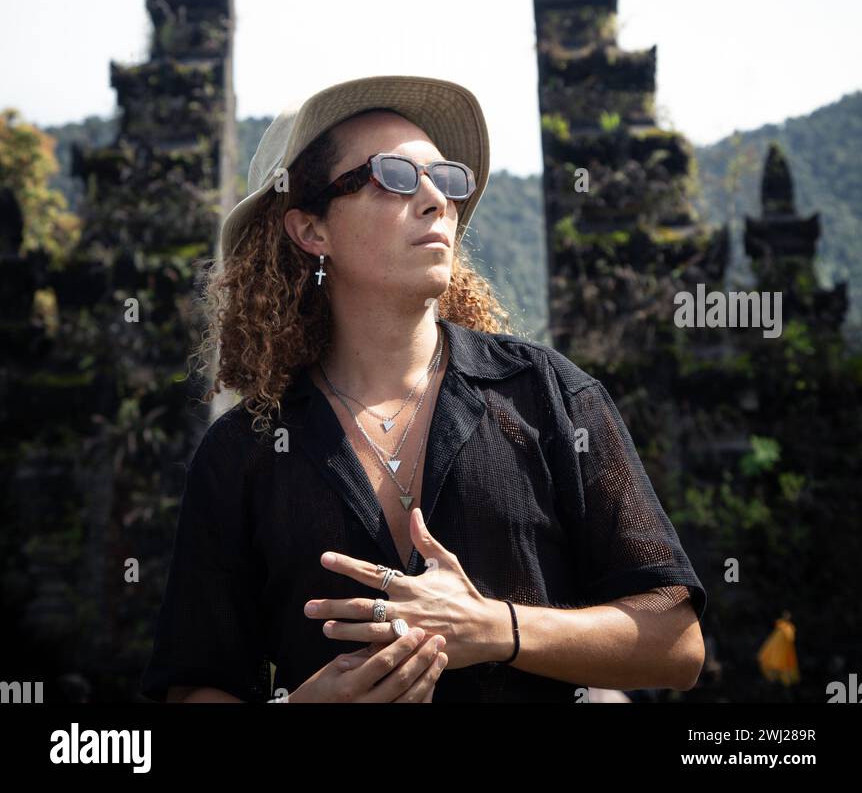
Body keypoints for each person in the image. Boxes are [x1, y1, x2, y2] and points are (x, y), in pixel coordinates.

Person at [140, 74, 707, 704]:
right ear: (311, 231)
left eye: (447, 178)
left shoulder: (545, 396)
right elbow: (192, 686)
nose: (438, 199)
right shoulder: (242, 452)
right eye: (395, 176)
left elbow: (676, 642)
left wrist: (494, 627)